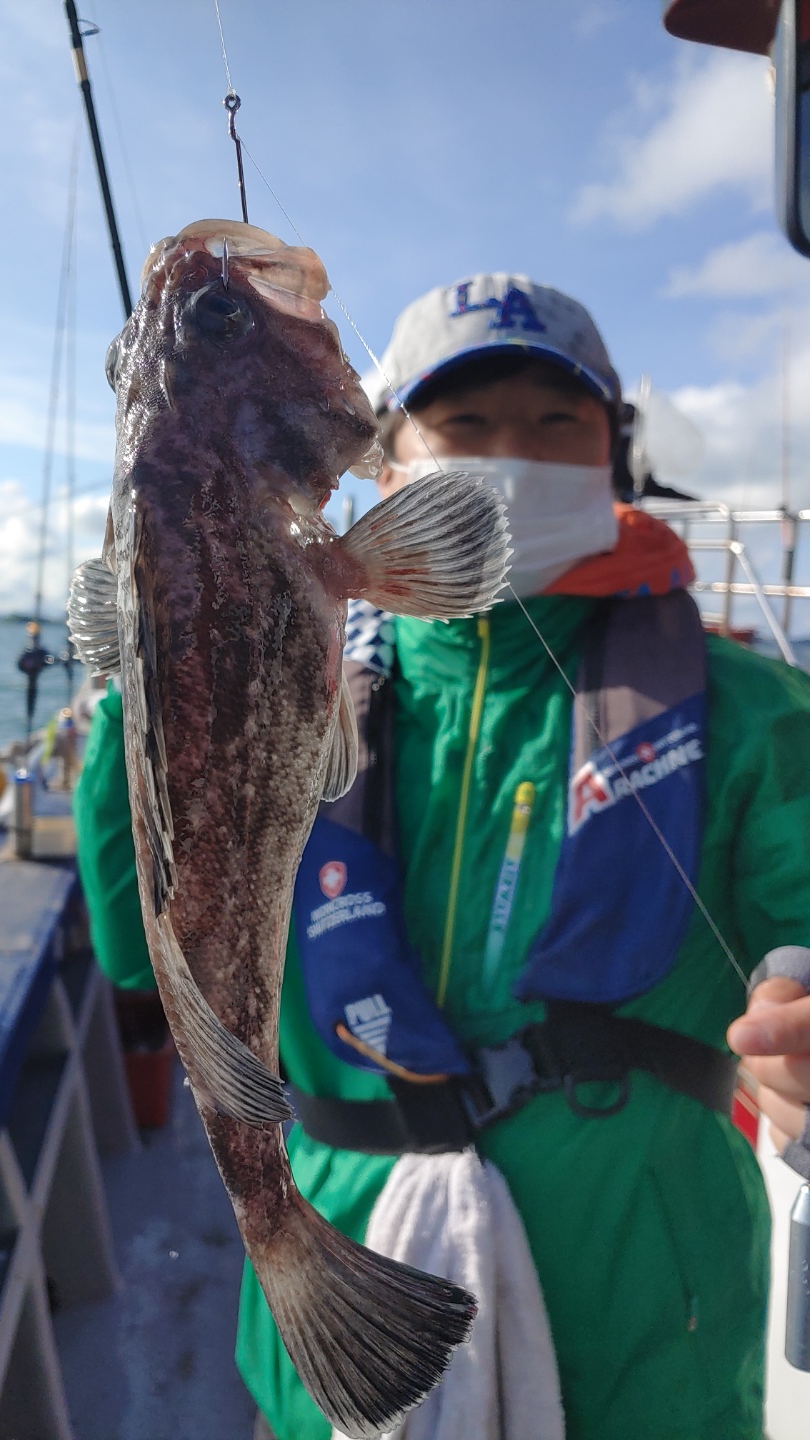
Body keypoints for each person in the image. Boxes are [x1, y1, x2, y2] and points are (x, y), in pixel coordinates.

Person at [74, 273, 810, 1440]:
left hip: (651, 1341)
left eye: (556, 420)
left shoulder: (759, 710)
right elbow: (132, 946)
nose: (510, 452)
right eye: (464, 422)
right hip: (334, 1289)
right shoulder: (287, 675)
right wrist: (156, 665)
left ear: (615, 452)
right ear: (385, 457)